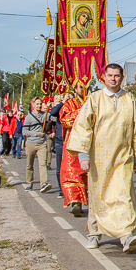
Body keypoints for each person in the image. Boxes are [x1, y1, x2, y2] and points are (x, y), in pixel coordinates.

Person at [66, 64, 136, 253]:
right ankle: (94, 233)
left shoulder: (130, 99)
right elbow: (83, 128)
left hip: (122, 157)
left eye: (117, 76)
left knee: (123, 195)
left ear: (122, 77)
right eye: (110, 75)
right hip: (98, 157)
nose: (113, 79)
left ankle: (126, 235)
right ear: (103, 77)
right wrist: (84, 156)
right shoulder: (95, 99)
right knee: (98, 195)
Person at [60, 85, 89, 217]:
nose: (82, 89)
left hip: (89, 142)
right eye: (79, 87)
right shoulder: (69, 104)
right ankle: (75, 202)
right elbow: (65, 120)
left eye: (84, 87)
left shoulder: (92, 101)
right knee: (72, 173)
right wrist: (81, 111)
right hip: (72, 143)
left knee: (87, 173)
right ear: (75, 89)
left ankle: (87, 201)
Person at [22, 98, 53, 193]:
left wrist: (51, 108)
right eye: (37, 104)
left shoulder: (46, 115)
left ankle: (44, 183)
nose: (39, 106)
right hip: (31, 143)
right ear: (33, 105)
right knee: (29, 164)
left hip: (42, 143)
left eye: (40, 104)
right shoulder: (29, 117)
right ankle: (29, 183)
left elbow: (54, 119)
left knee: (43, 163)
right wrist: (36, 134)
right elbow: (24, 131)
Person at [50, 96, 65, 199]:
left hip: (71, 141)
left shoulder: (74, 106)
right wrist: (62, 103)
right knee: (59, 167)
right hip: (60, 140)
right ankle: (61, 189)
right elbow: (52, 112)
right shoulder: (60, 108)